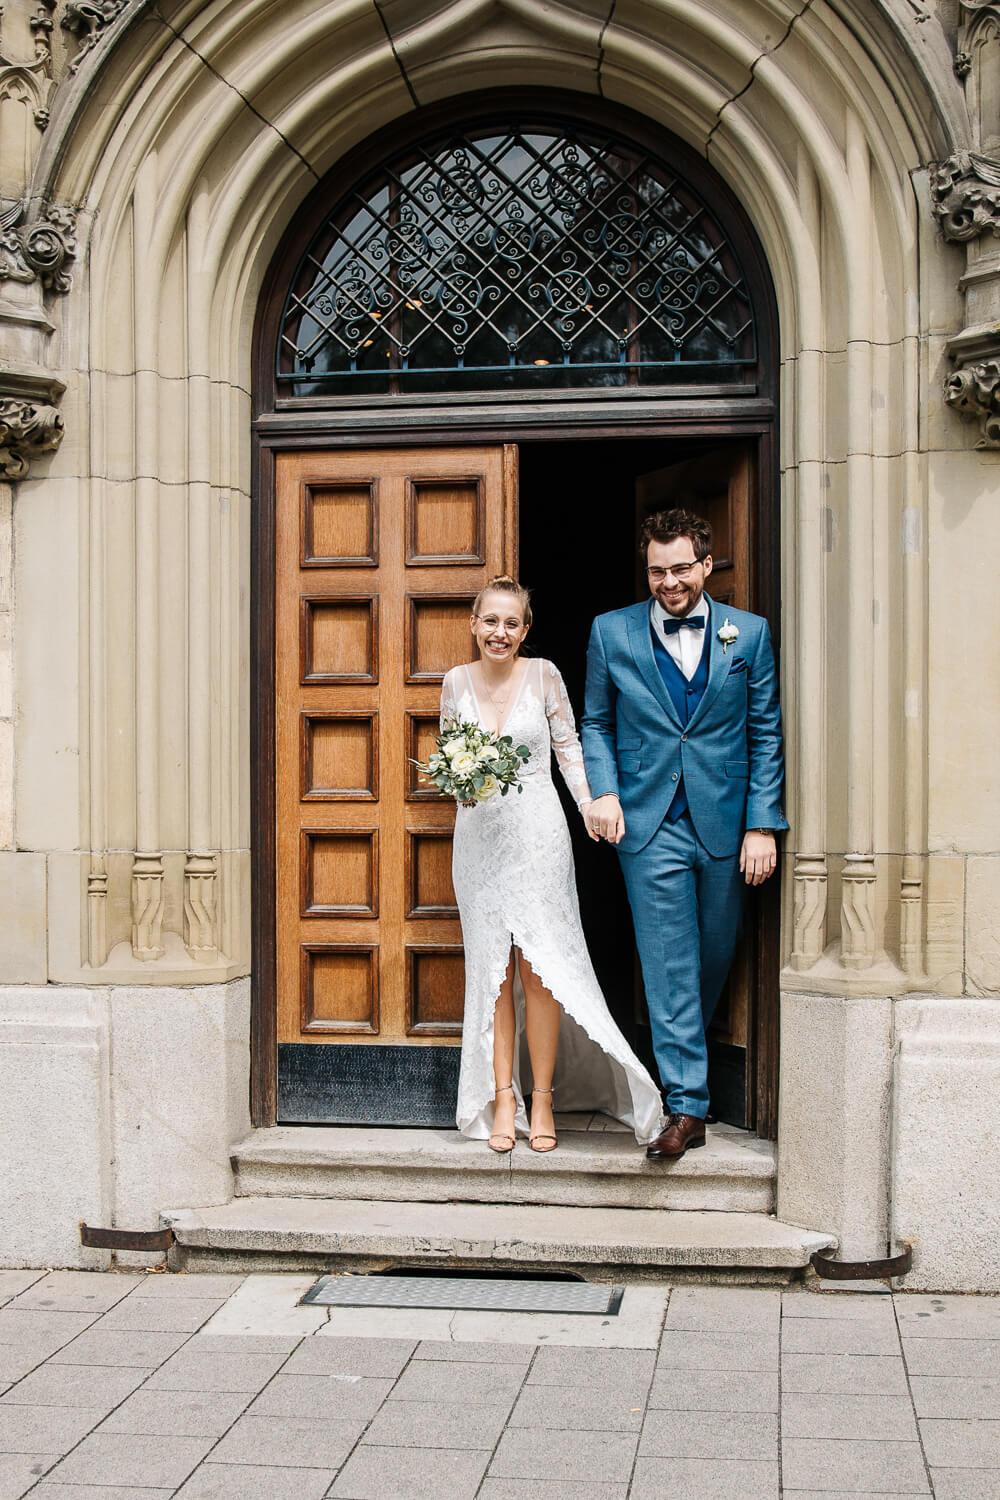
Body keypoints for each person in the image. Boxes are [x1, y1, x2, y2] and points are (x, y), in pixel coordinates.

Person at [581, 508, 787, 1159]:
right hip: (648, 824)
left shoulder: (748, 634)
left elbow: (765, 732)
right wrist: (603, 791)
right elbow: (596, 722)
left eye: (680, 569)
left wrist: (762, 823)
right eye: (656, 571)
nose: (669, 583)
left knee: (712, 955)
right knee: (669, 961)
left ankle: (678, 1064)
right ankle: (687, 1106)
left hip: (726, 823)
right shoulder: (610, 631)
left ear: (706, 564)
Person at [440, 575, 663, 1153]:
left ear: (525, 630)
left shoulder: (544, 676)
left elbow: (569, 748)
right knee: (493, 974)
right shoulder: (454, 682)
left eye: (511, 623)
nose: (500, 632)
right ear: (473, 624)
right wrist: (462, 780)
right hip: (479, 843)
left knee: (540, 971)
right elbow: (449, 759)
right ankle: (502, 1098)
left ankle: (542, 1098)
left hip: (538, 836)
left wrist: (589, 805)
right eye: (491, 621)